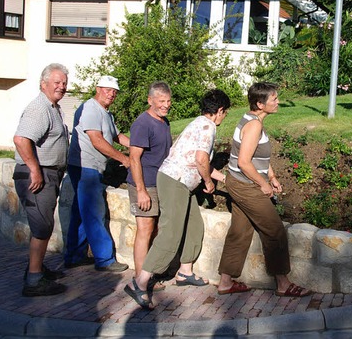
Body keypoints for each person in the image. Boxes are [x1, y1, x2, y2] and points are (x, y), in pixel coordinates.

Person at [124, 89, 231, 309]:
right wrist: (209, 184)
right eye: (225, 113)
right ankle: (140, 282)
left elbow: (199, 159)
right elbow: (201, 159)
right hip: (175, 181)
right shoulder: (208, 127)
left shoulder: (199, 122)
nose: (224, 117)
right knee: (171, 233)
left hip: (182, 183)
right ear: (219, 111)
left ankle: (185, 272)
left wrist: (225, 179)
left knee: (194, 226)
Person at [217, 82, 311, 297]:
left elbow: (256, 155)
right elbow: (244, 161)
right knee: (275, 230)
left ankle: (225, 281)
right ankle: (283, 284)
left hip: (238, 182)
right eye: (274, 99)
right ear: (260, 104)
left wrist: (271, 175)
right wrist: (263, 185)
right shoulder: (254, 125)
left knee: (240, 231)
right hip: (245, 185)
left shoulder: (252, 119)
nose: (277, 102)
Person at [13, 63, 69, 297]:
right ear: (43, 83)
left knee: (43, 224)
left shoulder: (52, 107)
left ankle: (36, 269)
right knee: (42, 227)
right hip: (39, 175)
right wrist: (35, 170)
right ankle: (34, 280)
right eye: (57, 82)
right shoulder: (40, 108)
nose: (62, 86)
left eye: (64, 83)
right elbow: (21, 139)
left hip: (48, 173)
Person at [65, 75, 131, 272]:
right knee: (94, 212)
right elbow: (97, 140)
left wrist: (139, 147)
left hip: (91, 167)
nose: (111, 94)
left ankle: (74, 255)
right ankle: (104, 259)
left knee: (81, 211)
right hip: (85, 166)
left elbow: (117, 136)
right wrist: (124, 159)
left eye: (114, 92)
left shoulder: (106, 113)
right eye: (108, 90)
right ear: (98, 88)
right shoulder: (90, 109)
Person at [127, 82, 173, 289]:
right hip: (144, 184)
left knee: (154, 230)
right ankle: (140, 279)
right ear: (150, 100)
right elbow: (134, 158)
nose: (166, 105)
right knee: (144, 229)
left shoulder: (164, 122)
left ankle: (148, 274)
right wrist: (141, 191)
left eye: (168, 101)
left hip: (160, 183)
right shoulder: (142, 124)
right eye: (161, 101)